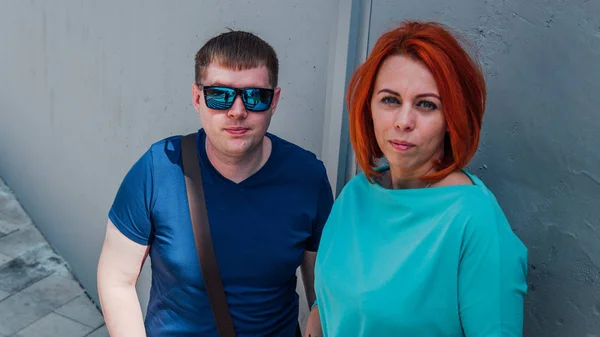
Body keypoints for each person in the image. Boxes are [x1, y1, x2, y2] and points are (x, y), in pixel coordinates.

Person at [97, 30, 334, 336]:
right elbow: (117, 277)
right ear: (197, 98)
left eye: (255, 96)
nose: (237, 111)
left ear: (274, 101)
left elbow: (324, 297)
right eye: (220, 95)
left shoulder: (307, 177)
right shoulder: (159, 169)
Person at [305, 21, 528, 337]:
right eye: (390, 100)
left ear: (451, 119)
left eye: (426, 104)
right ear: (369, 107)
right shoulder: (356, 194)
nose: (403, 121)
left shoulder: (474, 219)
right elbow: (325, 307)